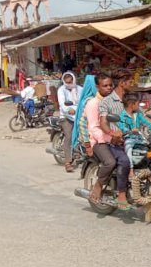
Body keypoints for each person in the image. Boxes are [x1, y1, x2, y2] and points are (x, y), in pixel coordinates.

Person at [71, 74, 118, 205]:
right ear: (97, 87)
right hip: (98, 140)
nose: (109, 88)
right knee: (110, 162)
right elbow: (89, 126)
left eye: (110, 85)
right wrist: (88, 146)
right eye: (105, 85)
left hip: (113, 136)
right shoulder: (92, 103)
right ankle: (98, 186)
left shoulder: (114, 101)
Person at [99, 73, 135, 210]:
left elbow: (142, 114)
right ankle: (121, 193)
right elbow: (103, 122)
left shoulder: (130, 99)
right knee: (125, 161)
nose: (132, 84)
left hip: (133, 139)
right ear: (122, 83)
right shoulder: (106, 102)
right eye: (130, 81)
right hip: (115, 142)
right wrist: (112, 133)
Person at [118, 93, 151, 178]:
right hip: (129, 138)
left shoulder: (138, 114)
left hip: (140, 138)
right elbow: (122, 128)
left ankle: (149, 169)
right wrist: (130, 130)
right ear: (131, 104)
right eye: (137, 103)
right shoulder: (122, 116)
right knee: (128, 147)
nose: (139, 105)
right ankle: (131, 170)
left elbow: (145, 122)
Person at [57, 71, 83, 173]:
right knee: (69, 136)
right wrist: (69, 110)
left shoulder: (79, 89)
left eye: (71, 81)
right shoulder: (61, 90)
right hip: (67, 116)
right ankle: (67, 162)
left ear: (74, 79)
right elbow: (62, 103)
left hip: (79, 114)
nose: (69, 83)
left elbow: (84, 100)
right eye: (67, 82)